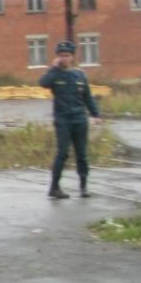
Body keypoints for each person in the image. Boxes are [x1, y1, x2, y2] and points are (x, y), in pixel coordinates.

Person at [39, 39, 102, 198]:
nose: (64, 58)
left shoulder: (79, 75)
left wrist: (95, 114)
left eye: (67, 55)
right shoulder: (54, 74)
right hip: (63, 120)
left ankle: (83, 186)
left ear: (72, 57)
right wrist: (53, 68)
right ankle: (54, 187)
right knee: (63, 153)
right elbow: (43, 83)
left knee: (81, 154)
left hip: (79, 119)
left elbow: (87, 96)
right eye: (61, 55)